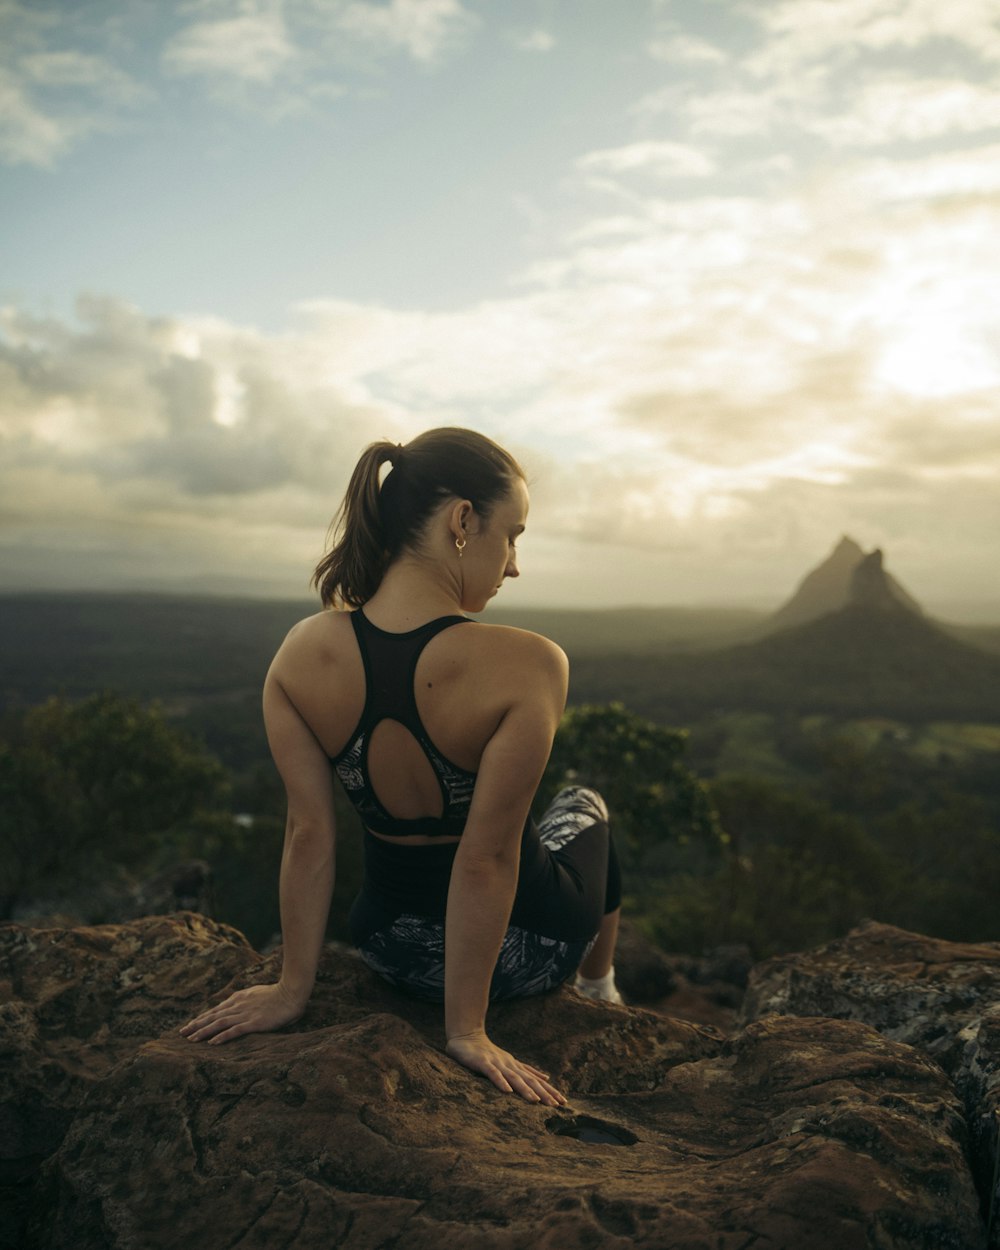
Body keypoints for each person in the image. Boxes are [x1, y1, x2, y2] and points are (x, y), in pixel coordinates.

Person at [180, 428, 622, 1106]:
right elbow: (487, 860)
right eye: (513, 536)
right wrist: (466, 1031)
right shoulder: (530, 664)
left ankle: (597, 988)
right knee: (588, 803)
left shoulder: (301, 652)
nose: (513, 566)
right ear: (463, 521)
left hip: (388, 951)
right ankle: (599, 987)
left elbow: (308, 835)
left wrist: (290, 990)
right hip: (519, 958)